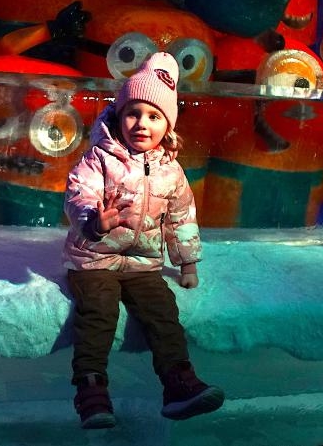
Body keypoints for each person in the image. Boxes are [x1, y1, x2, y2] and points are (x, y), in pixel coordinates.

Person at [61, 51, 225, 429]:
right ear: (119, 115)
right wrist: (93, 221)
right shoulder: (99, 158)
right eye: (133, 112)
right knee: (99, 313)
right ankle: (91, 392)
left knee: (163, 314)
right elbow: (78, 195)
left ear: (167, 125)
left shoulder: (172, 171)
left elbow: (182, 216)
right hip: (94, 258)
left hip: (142, 264)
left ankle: (179, 385)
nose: (142, 123)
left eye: (154, 116)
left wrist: (187, 262)